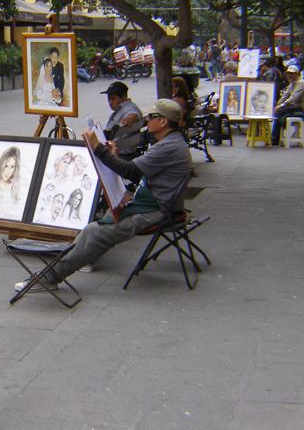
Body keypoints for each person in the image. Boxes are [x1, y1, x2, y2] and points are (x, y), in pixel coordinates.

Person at [14, 99, 191, 292]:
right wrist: (113, 156)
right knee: (93, 228)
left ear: (163, 121)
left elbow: (130, 171)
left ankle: (51, 277)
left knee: (95, 232)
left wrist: (97, 147)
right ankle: (76, 260)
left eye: (152, 117)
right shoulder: (170, 142)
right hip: (153, 202)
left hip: (157, 210)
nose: (147, 120)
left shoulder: (169, 147)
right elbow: (136, 173)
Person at [271, 65, 304, 146]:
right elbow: (285, 96)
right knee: (279, 111)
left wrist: (281, 106)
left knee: (281, 112)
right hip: (296, 107)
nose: (289, 76)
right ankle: (275, 137)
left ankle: (274, 138)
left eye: (292, 74)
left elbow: (294, 98)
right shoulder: (292, 84)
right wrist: (277, 105)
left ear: (297, 74)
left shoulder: (301, 83)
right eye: (288, 74)